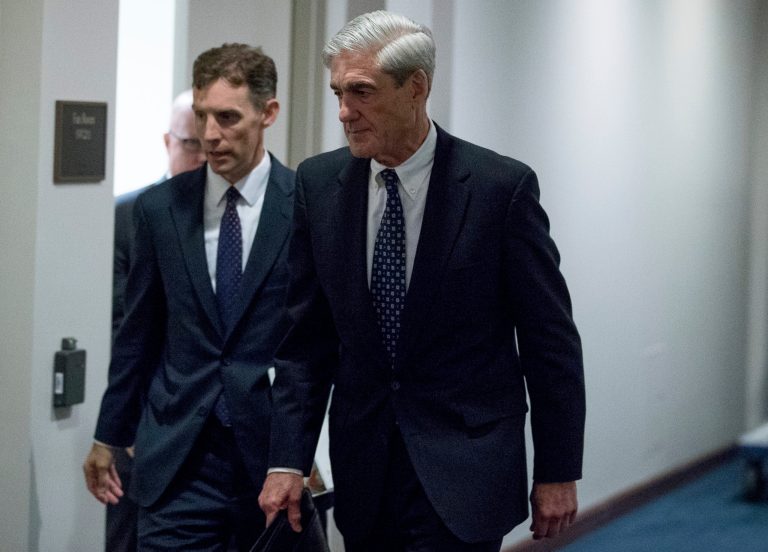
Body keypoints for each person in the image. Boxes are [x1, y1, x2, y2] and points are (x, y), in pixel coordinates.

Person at [258, 10, 585, 552]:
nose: (344, 112)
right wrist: (287, 459)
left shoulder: (499, 189)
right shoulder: (319, 185)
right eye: (338, 92)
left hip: (466, 468)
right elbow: (305, 343)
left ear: (417, 88)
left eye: (361, 92)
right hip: (366, 470)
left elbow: (550, 342)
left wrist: (557, 469)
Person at [84, 43, 294, 551]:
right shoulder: (159, 209)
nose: (210, 135)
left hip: (266, 462)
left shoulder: (305, 205)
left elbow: (315, 344)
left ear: (268, 114)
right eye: (202, 116)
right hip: (177, 460)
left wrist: (299, 453)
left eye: (228, 117)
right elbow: (138, 333)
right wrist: (108, 435)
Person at [107, 89, 205, 552]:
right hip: (146, 424)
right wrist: (128, 420)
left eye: (210, 146)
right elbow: (121, 328)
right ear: (168, 141)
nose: (202, 156)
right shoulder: (129, 215)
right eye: (190, 144)